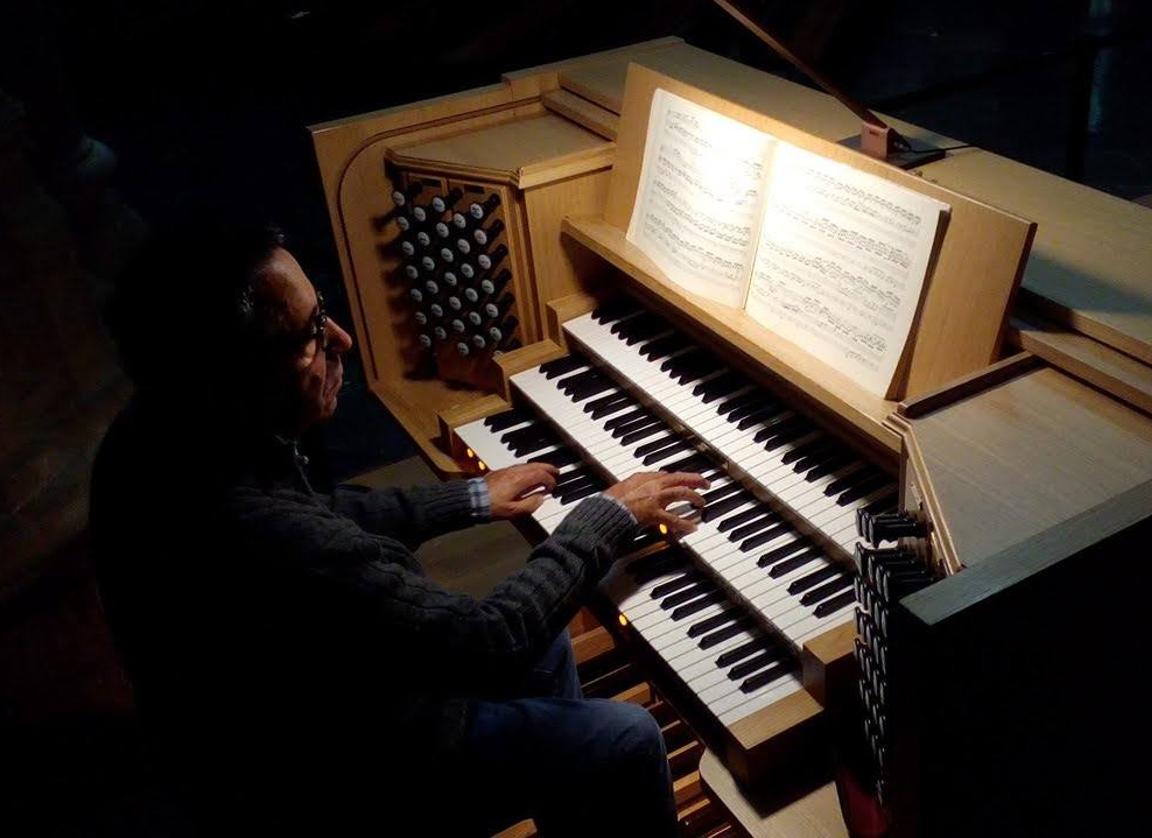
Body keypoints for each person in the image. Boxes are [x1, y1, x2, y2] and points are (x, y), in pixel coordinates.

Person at [90, 219, 709, 835]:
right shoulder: (253, 525)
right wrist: (606, 516)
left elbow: (320, 515)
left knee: (548, 644)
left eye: (324, 310)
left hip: (274, 709)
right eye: (309, 334)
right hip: (319, 778)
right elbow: (489, 641)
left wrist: (466, 498)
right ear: (230, 376)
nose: (342, 339)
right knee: (625, 736)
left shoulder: (160, 431)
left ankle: (576, 807)